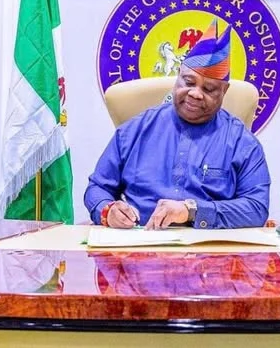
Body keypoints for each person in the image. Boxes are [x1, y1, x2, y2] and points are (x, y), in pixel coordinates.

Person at [84, 19, 270, 230]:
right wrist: (107, 210)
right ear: (178, 76)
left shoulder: (242, 143)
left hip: (208, 246)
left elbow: (257, 208)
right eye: (188, 82)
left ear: (224, 91)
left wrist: (192, 211)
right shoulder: (134, 130)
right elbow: (97, 187)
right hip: (140, 241)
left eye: (209, 89)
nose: (195, 93)